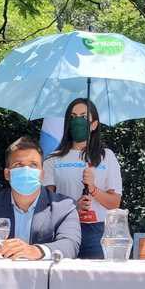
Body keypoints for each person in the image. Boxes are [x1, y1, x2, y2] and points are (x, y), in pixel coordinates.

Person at [0, 137, 81, 260]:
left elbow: (70, 245)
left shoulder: (64, 206)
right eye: (18, 165)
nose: (26, 170)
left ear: (42, 174)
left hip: (43, 279)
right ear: (7, 174)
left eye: (33, 165)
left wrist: (36, 251)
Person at [42, 98, 123, 259]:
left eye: (84, 117)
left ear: (94, 124)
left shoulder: (107, 156)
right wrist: (73, 207)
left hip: (98, 231)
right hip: (64, 230)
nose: (78, 121)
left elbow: (114, 203)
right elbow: (45, 203)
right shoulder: (53, 159)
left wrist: (93, 188)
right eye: (73, 117)